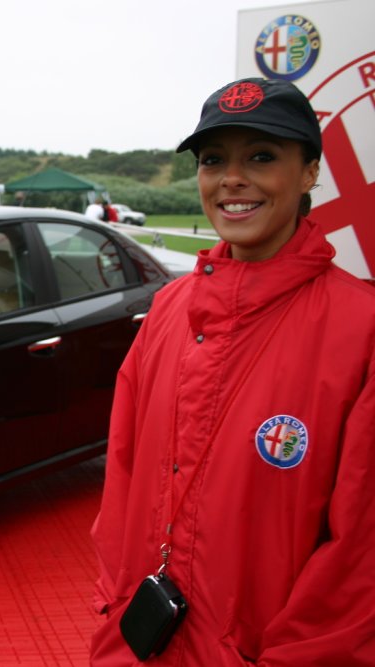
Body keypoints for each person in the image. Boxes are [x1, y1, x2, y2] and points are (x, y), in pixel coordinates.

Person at [90, 77, 375, 665]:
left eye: (262, 156)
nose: (231, 180)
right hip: (139, 646)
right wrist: (119, 606)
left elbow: (361, 555)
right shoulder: (169, 309)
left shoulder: (361, 329)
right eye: (213, 160)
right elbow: (121, 476)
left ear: (309, 172)